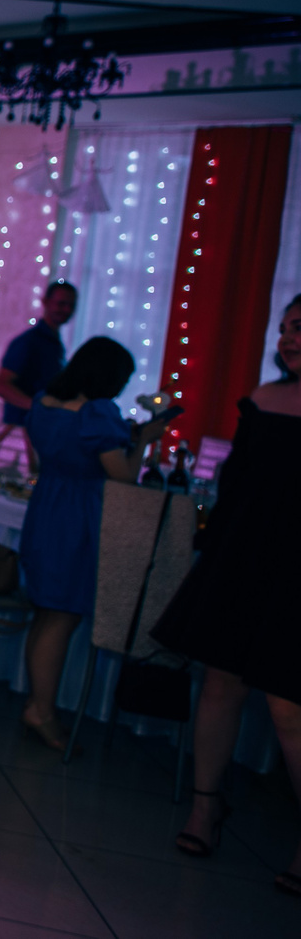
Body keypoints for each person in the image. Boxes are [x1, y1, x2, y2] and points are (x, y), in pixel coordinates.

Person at [153, 295, 301, 896]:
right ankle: (204, 807)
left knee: (288, 707)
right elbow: (236, 484)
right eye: (285, 328)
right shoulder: (263, 399)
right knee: (219, 684)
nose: (289, 337)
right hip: (245, 559)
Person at [15, 336, 171, 748]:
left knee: (45, 615)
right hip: (77, 517)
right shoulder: (98, 413)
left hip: (46, 507)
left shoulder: (44, 402)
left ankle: (36, 703)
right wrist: (144, 440)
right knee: (63, 618)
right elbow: (123, 475)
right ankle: (42, 711)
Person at [0, 280, 78, 460]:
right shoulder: (29, 342)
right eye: (61, 304)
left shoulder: (54, 344)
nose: (66, 310)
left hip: (35, 434)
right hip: (20, 436)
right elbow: (0, 386)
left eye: (71, 305)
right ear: (45, 302)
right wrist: (39, 406)